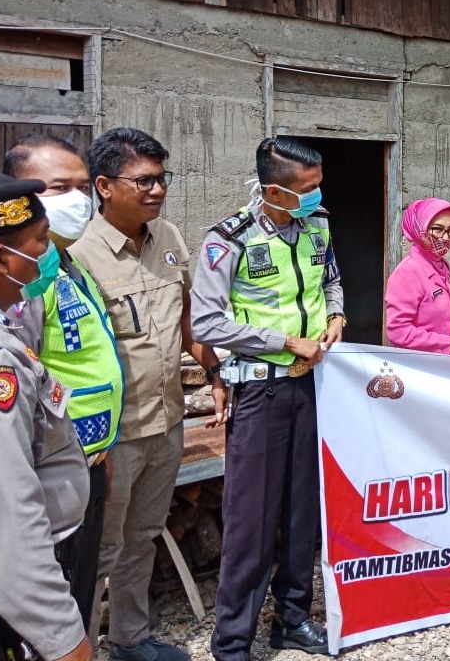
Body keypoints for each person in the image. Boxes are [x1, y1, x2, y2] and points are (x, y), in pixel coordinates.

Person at [191, 137, 344, 659]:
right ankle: (232, 642)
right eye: (306, 189)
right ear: (274, 191)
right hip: (259, 390)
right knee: (251, 521)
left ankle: (293, 620)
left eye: (318, 185)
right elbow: (208, 321)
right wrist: (284, 342)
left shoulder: (317, 223)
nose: (315, 196)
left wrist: (337, 316)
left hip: (310, 385)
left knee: (305, 510)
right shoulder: (227, 240)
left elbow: (331, 281)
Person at [69, 129, 217, 661]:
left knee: (143, 537)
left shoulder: (169, 238)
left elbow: (188, 321)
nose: (157, 191)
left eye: (162, 179)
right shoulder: (79, 258)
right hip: (112, 437)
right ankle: (78, 649)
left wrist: (217, 376)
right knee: (97, 550)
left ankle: (129, 640)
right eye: (144, 181)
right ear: (105, 186)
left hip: (166, 422)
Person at [3, 136, 126, 633]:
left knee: (78, 594)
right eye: (58, 187)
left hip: (86, 463)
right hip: (45, 475)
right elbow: (18, 383)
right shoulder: (22, 281)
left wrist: (102, 449)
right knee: (45, 615)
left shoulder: (65, 264)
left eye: (81, 186)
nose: (77, 200)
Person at [0, 172, 92, 661]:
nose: (50, 255)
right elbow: (6, 510)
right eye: (41, 243)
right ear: (3, 259)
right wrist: (63, 639)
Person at [385, 198, 450, 355]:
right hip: (420, 370)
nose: (445, 237)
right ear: (419, 229)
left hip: (444, 367)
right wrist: (448, 343)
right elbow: (398, 331)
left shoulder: (443, 266)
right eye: (438, 229)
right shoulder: (408, 272)